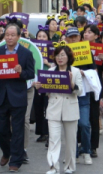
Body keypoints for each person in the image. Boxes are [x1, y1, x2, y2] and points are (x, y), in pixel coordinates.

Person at [0, 24, 35, 173]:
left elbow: (30, 74)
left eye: (12, 35)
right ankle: (7, 152)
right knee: (0, 130)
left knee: (17, 130)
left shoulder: (26, 53)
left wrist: (21, 72)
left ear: (18, 37)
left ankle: (16, 160)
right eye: (7, 34)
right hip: (1, 96)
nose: (9, 37)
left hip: (18, 96)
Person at [35, 44, 83, 174]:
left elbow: (80, 92)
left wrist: (72, 83)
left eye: (62, 55)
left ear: (68, 57)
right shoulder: (49, 72)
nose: (60, 58)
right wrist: (39, 87)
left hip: (70, 109)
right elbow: (45, 91)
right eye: (57, 55)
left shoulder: (76, 71)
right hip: (53, 109)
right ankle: (53, 167)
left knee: (71, 141)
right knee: (53, 140)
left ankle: (69, 167)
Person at [64, 27, 93, 165]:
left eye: (75, 36)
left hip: (82, 93)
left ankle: (86, 151)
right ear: (67, 39)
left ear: (80, 38)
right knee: (71, 125)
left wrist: (84, 72)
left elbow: (93, 70)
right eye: (71, 37)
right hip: (68, 95)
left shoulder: (86, 51)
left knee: (84, 124)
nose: (73, 39)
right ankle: (73, 153)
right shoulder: (62, 53)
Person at [82, 25, 103, 158]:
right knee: (81, 119)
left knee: (93, 118)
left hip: (94, 88)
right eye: (85, 32)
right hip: (81, 87)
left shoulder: (101, 50)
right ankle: (81, 143)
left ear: (96, 36)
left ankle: (93, 147)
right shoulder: (79, 49)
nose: (86, 34)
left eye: (90, 32)